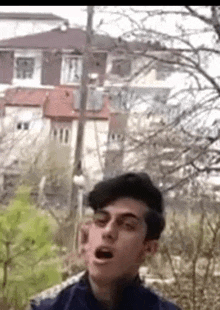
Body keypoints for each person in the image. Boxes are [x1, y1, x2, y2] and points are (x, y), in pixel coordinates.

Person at [28, 172, 181, 310]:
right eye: (101, 220)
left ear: (149, 248)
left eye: (127, 225)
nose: (108, 231)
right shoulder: (47, 307)